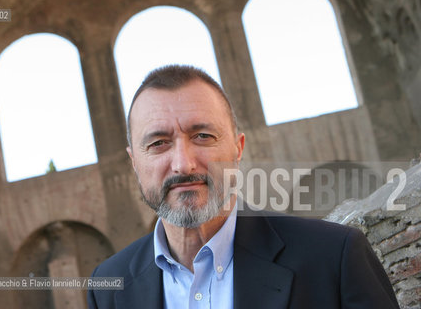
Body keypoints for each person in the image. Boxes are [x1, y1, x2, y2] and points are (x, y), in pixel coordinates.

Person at [88, 65, 399, 308]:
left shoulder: (334, 258)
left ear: (238, 149)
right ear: (133, 162)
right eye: (158, 143)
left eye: (203, 136)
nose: (183, 163)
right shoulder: (107, 286)